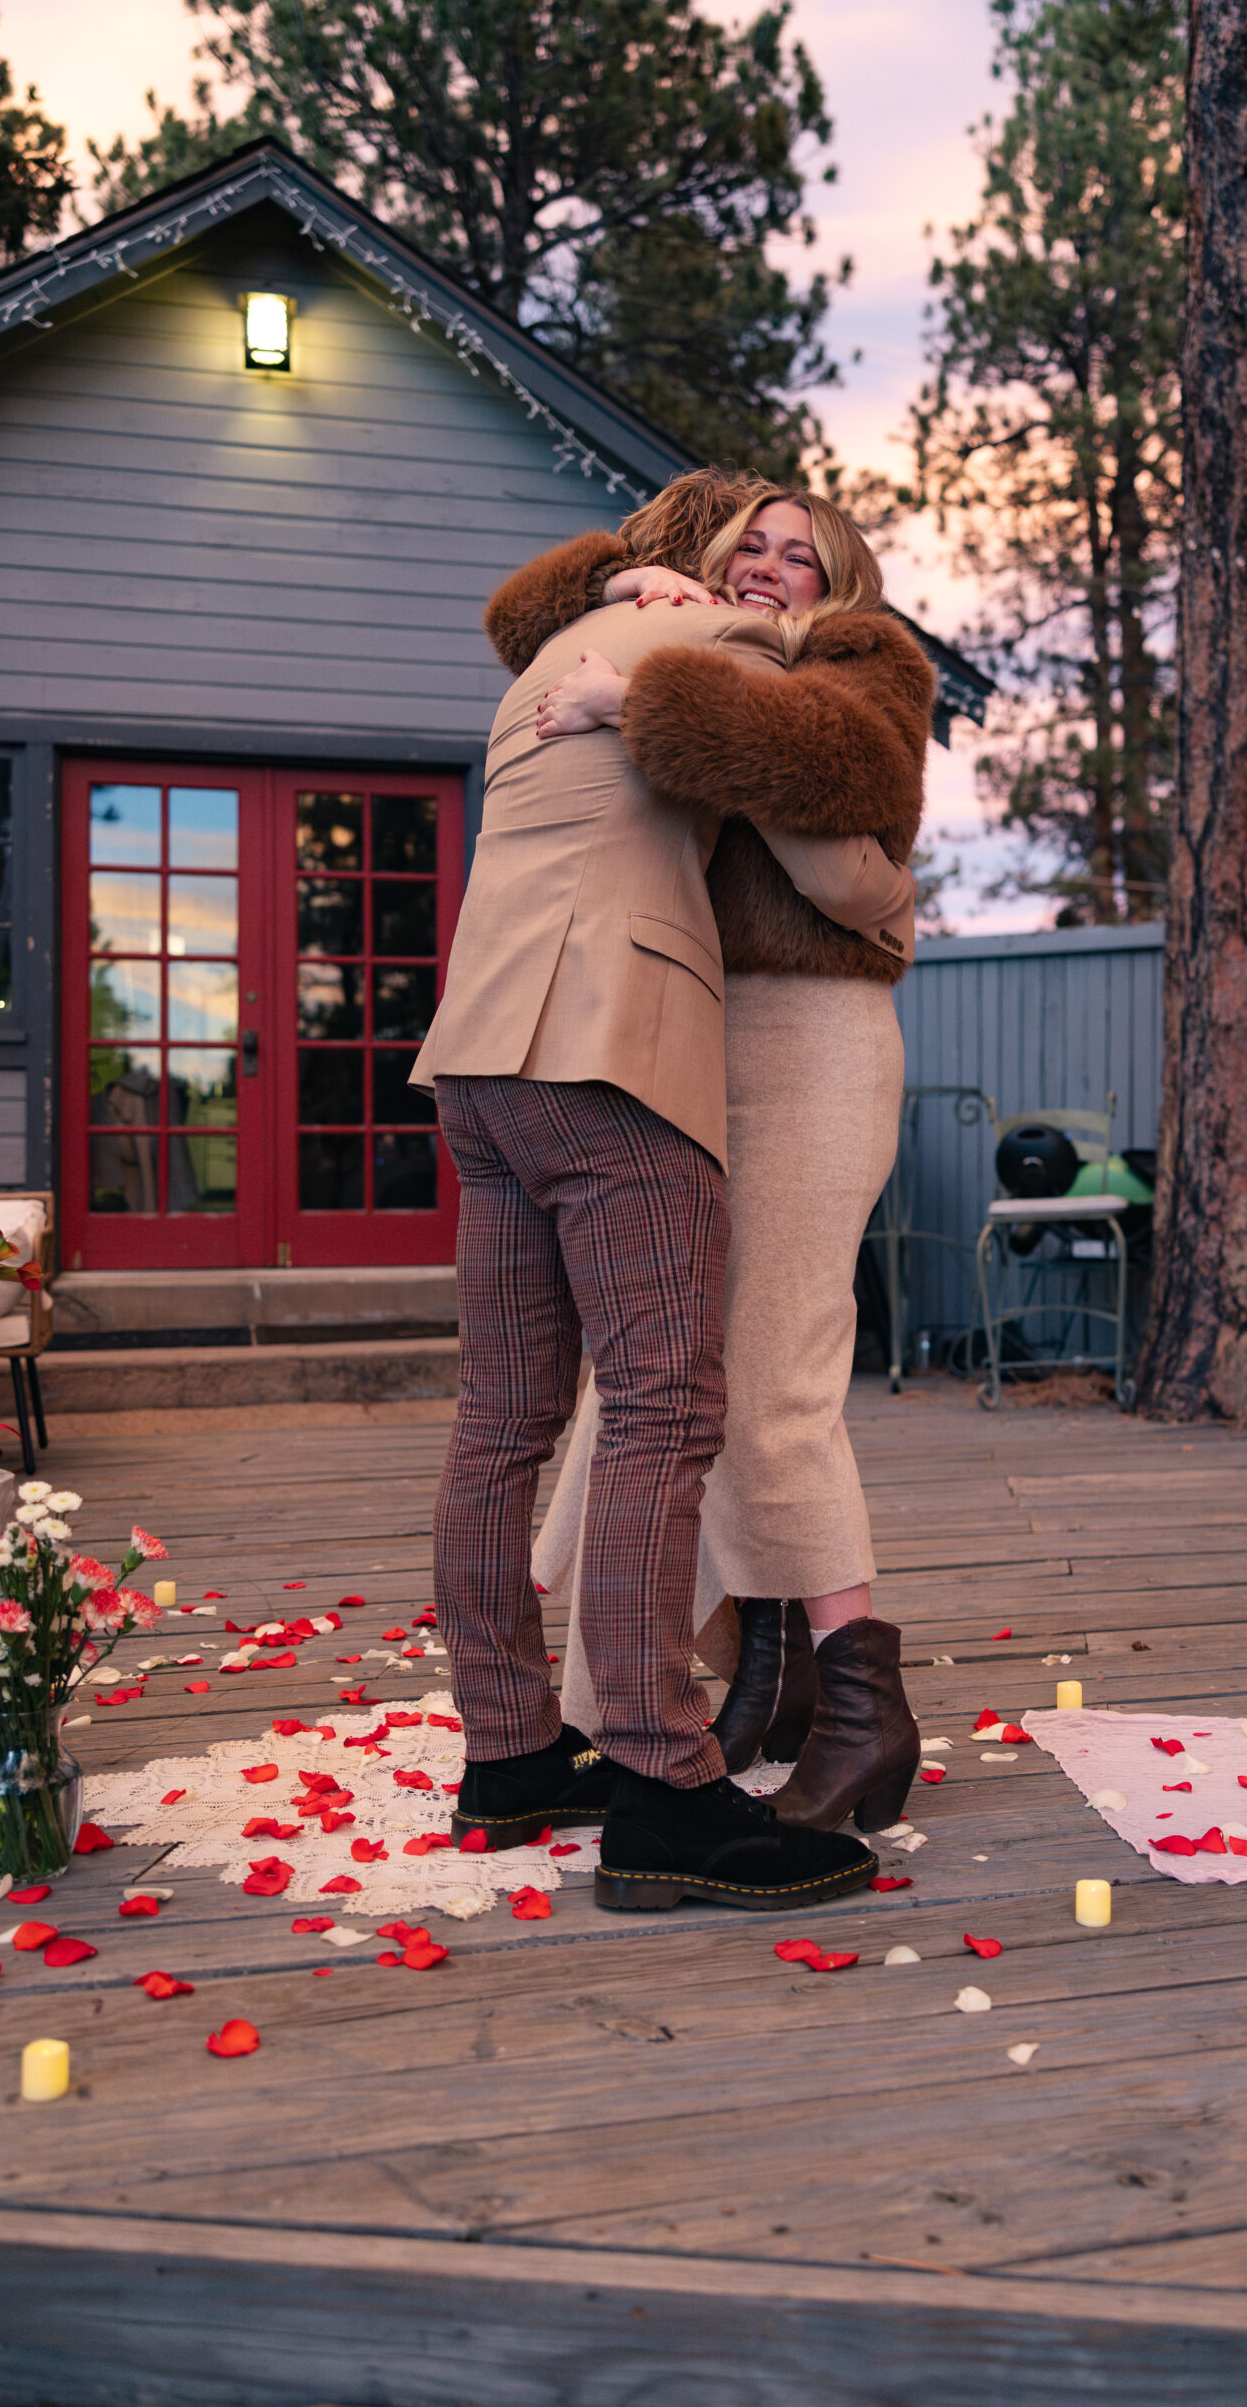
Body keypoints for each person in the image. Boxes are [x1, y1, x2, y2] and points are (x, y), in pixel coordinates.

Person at [412, 477, 885, 1912]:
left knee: (503, 1419)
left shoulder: (553, 654)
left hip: (478, 1061)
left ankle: (509, 1753)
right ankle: (663, 1785)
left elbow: (543, 632)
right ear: (704, 564)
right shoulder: (720, 654)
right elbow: (843, 862)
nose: (769, 575)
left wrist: (615, 592)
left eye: (799, 559)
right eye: (753, 552)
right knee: (666, 1411)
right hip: (611, 1055)